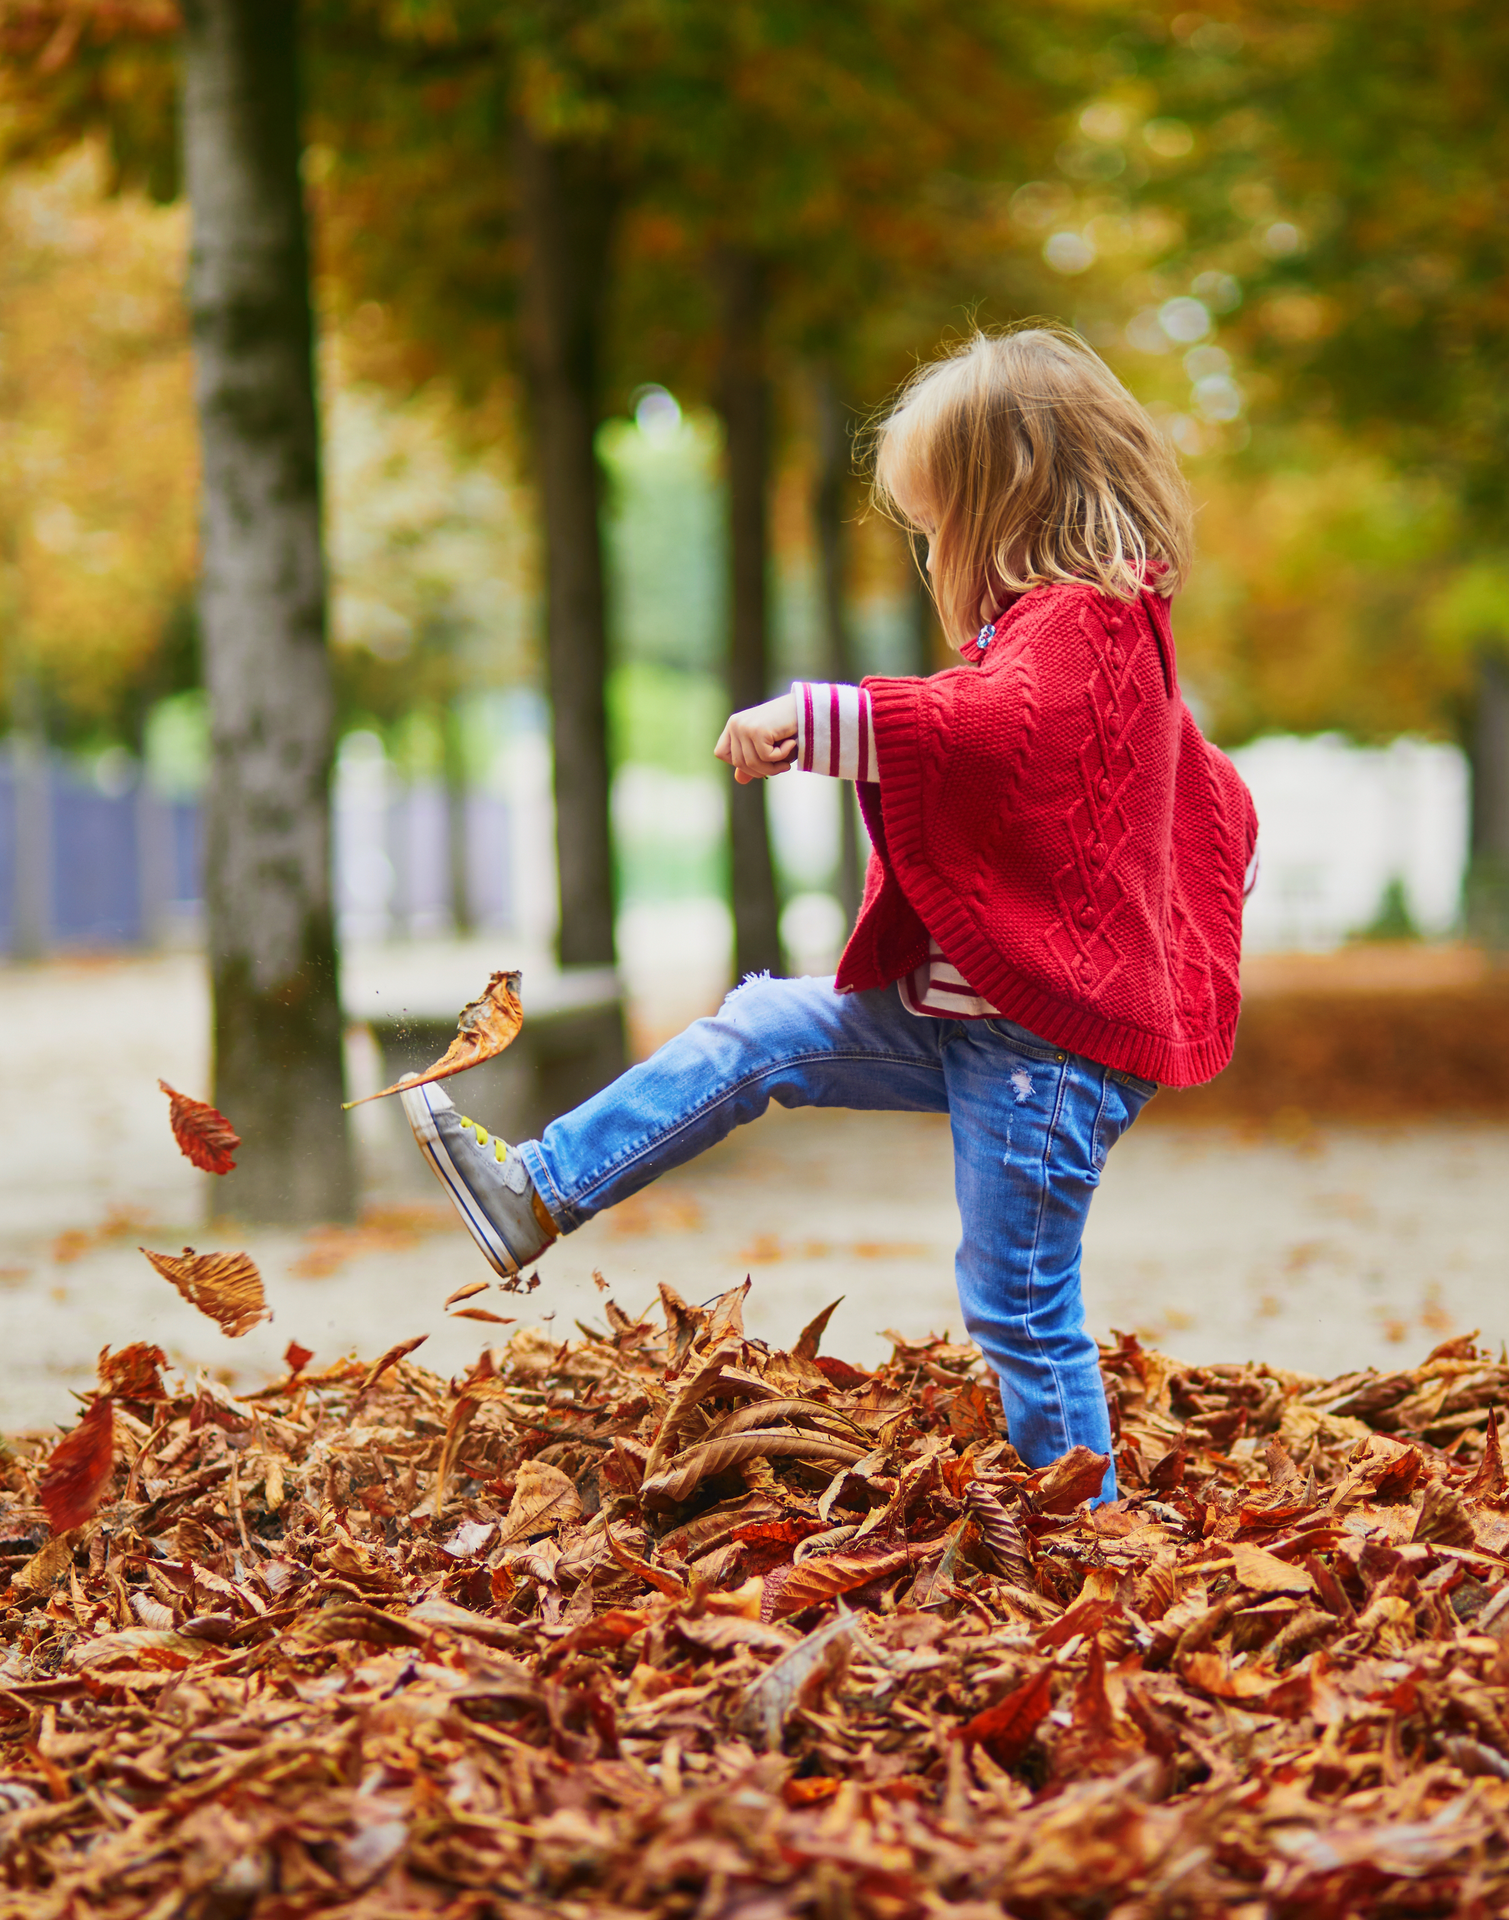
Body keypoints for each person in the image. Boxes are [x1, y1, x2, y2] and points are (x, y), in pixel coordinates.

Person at [403, 326, 1257, 1505]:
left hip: (1042, 1055)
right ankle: (538, 1190)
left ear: (1002, 507)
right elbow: (1207, 792)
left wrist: (812, 718)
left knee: (1016, 1300)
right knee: (762, 1030)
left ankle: (1088, 1531)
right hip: (980, 1020)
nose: (928, 553)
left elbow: (984, 728)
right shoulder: (1094, 635)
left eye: (934, 524)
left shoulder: (1081, 625)